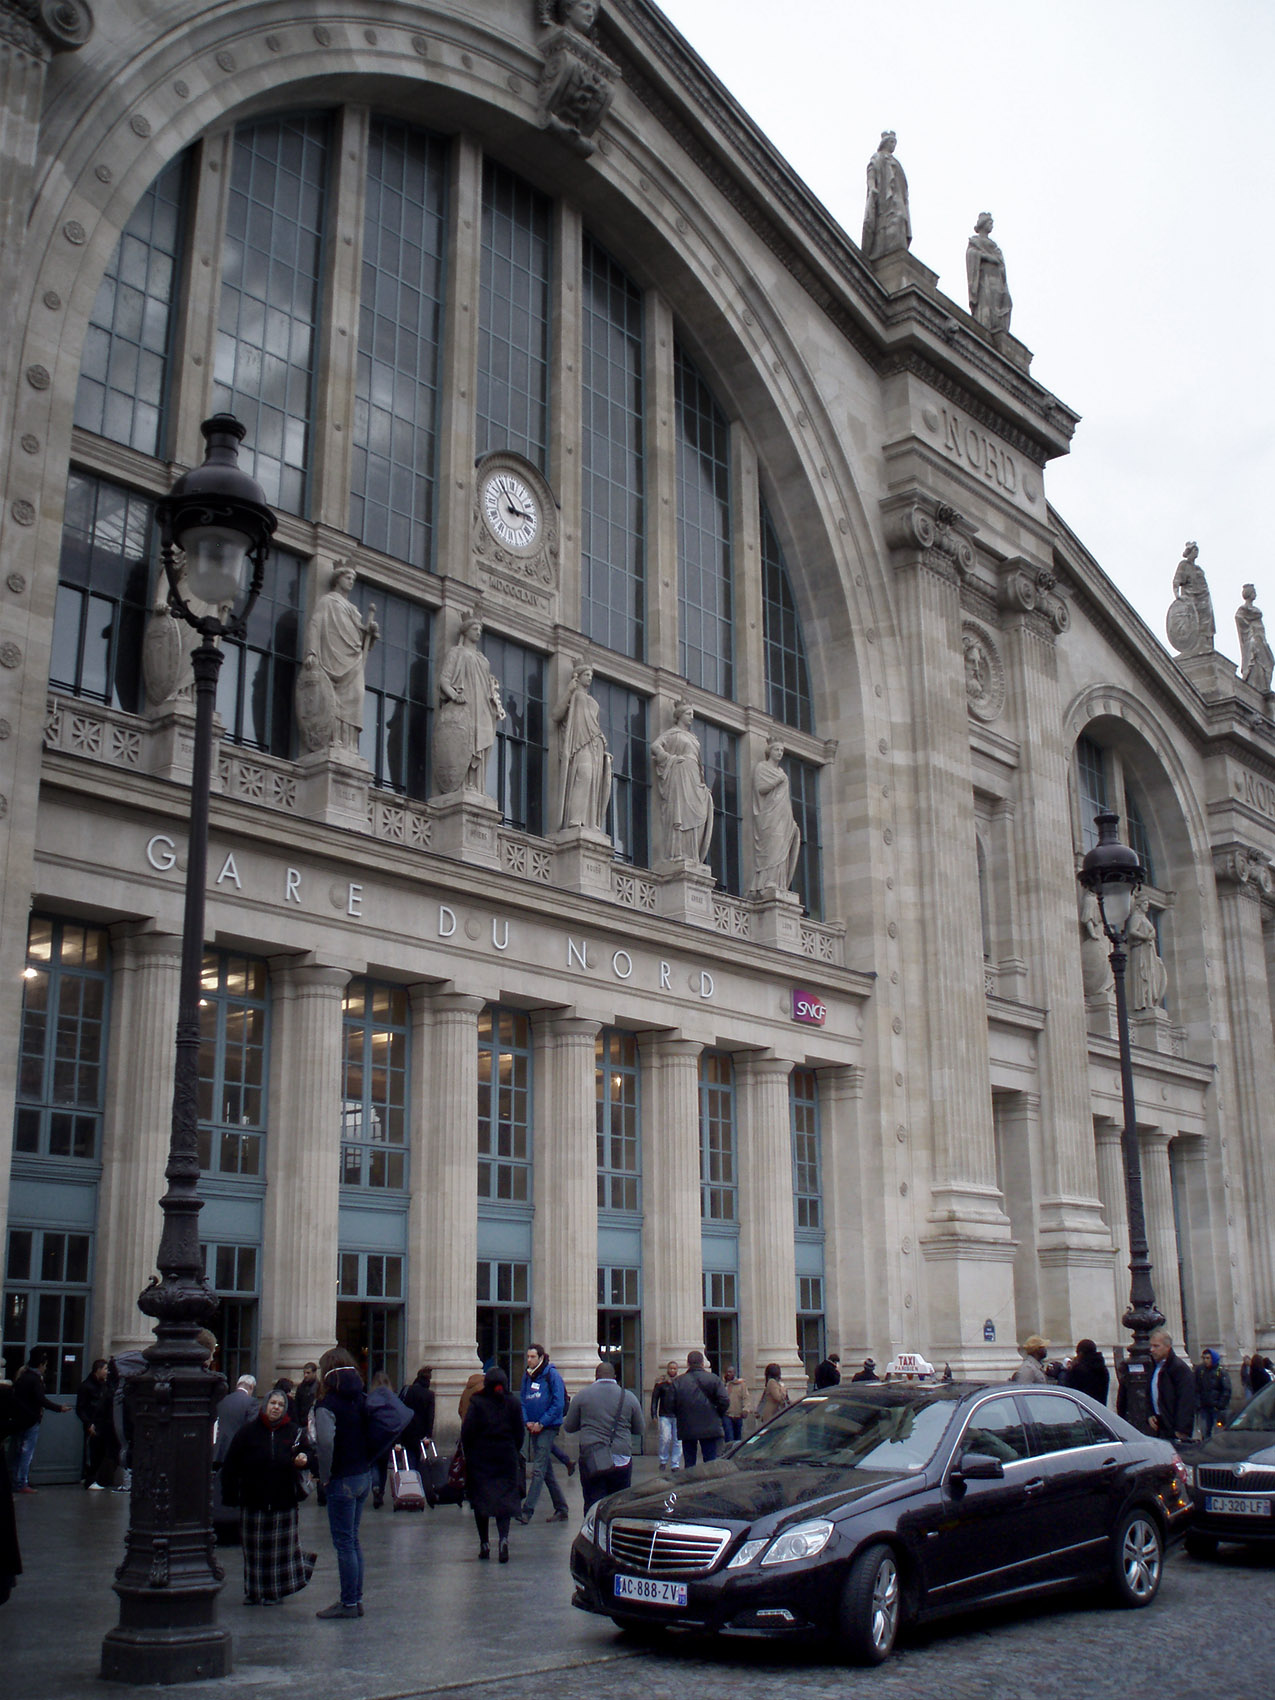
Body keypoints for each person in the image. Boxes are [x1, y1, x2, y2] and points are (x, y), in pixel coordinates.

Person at [219, 1387, 316, 1607]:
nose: (276, 1408)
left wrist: (305, 1457)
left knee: (279, 1552)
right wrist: (231, 1494)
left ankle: (274, 1591)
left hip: (284, 1501)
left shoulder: (293, 1431)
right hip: (254, 1500)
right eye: (273, 1403)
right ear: (265, 1405)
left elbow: (309, 1454)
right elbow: (232, 1464)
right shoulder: (248, 1432)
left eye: (280, 1405)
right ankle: (254, 1591)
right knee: (254, 1551)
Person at [310, 1346, 373, 1620]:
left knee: (344, 1543)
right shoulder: (361, 1397)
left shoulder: (328, 1403)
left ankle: (348, 1603)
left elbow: (325, 1443)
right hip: (362, 1474)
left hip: (342, 1478)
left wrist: (324, 1475)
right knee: (353, 1540)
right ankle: (355, 1599)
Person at [298, 562, 378, 750]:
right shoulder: (327, 602)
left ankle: (350, 744)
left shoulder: (353, 610)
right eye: (348, 578)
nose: (351, 582)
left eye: (353, 579)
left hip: (353, 660)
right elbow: (315, 625)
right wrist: (312, 651)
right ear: (338, 579)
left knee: (357, 696)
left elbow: (360, 639)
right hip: (331, 656)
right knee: (332, 699)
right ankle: (332, 739)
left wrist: (370, 633)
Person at [432, 614, 505, 795]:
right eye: (475, 629)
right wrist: (453, 695)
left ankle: (476, 785)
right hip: (464, 707)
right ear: (465, 631)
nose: (478, 632)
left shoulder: (483, 659)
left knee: (481, 743)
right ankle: (464, 785)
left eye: (480, 629)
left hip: (483, 708)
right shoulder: (456, 653)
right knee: (468, 742)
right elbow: (444, 680)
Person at [460, 1366, 525, 1562]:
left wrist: (470, 1453)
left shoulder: (477, 1402)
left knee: (481, 1501)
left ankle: (484, 1543)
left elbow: (467, 1432)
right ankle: (503, 1539)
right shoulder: (513, 1402)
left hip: (481, 1459)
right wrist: (513, 1450)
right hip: (506, 1458)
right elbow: (519, 1433)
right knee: (504, 1501)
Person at [563, 1361, 644, 1512]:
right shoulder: (629, 1397)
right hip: (621, 1457)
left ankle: (594, 1525)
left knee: (593, 1503)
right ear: (615, 1376)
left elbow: (569, 1426)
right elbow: (640, 1429)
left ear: (596, 1376)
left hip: (592, 1457)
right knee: (618, 1504)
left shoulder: (582, 1396)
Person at [651, 699, 713, 862]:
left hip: (694, 776)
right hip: (680, 773)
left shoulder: (693, 737)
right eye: (688, 714)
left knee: (695, 811)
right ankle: (678, 852)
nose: (691, 717)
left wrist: (702, 784)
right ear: (679, 715)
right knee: (680, 811)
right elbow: (655, 746)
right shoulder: (673, 733)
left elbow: (699, 762)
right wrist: (669, 758)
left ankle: (691, 854)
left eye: (692, 714)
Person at [553, 661, 612, 833]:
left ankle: (588, 822)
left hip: (595, 744)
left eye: (591, 675)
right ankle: (575, 819)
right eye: (587, 675)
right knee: (583, 776)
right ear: (578, 676)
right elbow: (556, 715)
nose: (590, 678)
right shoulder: (575, 696)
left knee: (593, 782)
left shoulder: (592, 701)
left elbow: (594, 723)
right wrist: (569, 691)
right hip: (579, 744)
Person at [517, 1342, 569, 1523]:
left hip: (548, 1427)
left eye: (532, 1357)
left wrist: (542, 1422)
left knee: (538, 1469)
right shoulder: (527, 1376)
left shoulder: (551, 1375)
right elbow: (523, 1400)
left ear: (540, 1357)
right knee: (546, 1471)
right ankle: (561, 1508)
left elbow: (558, 1403)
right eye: (528, 1356)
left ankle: (527, 1510)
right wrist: (527, 1421)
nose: (529, 1360)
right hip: (533, 1426)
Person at [10, 1348, 70, 1494]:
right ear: (41, 1364)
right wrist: (59, 1408)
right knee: (26, 1453)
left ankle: (16, 1481)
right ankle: (22, 1482)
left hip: (19, 1419)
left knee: (18, 1453)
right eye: (45, 1364)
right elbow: (41, 1399)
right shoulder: (35, 1379)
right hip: (30, 1420)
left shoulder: (22, 1377)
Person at [749, 738, 800, 894]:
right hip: (769, 814)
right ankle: (767, 881)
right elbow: (761, 788)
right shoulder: (762, 768)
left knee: (780, 846)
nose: (780, 753)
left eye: (782, 751)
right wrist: (777, 781)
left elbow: (785, 799)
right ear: (769, 751)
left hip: (783, 816)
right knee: (772, 845)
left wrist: (790, 821)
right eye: (777, 750)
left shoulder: (782, 772)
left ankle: (776, 881)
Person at [668, 1350, 728, 1466]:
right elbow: (724, 1400)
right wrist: (717, 1414)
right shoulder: (714, 1379)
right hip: (710, 1423)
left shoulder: (678, 1382)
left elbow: (670, 1405)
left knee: (689, 1462)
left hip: (687, 1425)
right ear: (702, 1363)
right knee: (710, 1462)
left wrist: (681, 1414)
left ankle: (690, 1477)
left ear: (688, 1364)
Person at [861, 129, 910, 260]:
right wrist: (872, 187)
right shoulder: (878, 157)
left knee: (900, 218)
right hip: (884, 197)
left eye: (895, 143)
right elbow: (871, 172)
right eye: (891, 142)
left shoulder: (896, 162)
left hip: (897, 196)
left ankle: (896, 250)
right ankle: (881, 250)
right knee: (888, 220)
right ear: (885, 143)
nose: (893, 145)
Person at [965, 212, 1012, 334]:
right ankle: (985, 327)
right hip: (984, 279)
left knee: (1005, 302)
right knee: (986, 302)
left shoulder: (995, 246)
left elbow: (1000, 262)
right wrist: (985, 257)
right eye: (990, 223)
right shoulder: (975, 242)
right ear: (983, 224)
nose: (992, 225)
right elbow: (971, 254)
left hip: (997, 281)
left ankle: (998, 327)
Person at [75, 1358, 117, 1489]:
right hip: (93, 1424)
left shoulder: (104, 1385)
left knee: (101, 1452)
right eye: (105, 1369)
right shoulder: (87, 1386)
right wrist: (88, 1423)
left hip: (103, 1423)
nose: (107, 1372)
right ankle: (90, 1478)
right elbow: (80, 1408)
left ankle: (95, 1478)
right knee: (93, 1453)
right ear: (98, 1370)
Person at [1148, 1329, 1195, 1444]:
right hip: (1159, 1423)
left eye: (1156, 1346)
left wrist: (1182, 1429)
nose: (1152, 1350)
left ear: (1167, 1347)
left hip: (1173, 1426)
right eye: (1151, 1346)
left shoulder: (1179, 1368)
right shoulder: (1154, 1366)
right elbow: (1151, 1393)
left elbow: (1186, 1400)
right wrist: (1150, 1414)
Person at [1127, 889, 1168, 1012]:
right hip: (1141, 950)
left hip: (1148, 950)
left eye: (1148, 904)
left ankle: (1149, 1001)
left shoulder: (1144, 918)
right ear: (1139, 905)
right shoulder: (1136, 917)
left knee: (1149, 975)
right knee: (1143, 974)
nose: (1147, 906)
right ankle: (1143, 1001)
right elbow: (1132, 931)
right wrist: (1145, 937)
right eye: (1145, 904)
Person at [1236, 584, 1274, 691]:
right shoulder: (1243, 610)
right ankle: (1257, 687)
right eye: (1254, 592)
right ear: (1249, 593)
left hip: (1261, 639)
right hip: (1254, 641)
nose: (1255, 594)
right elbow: (1239, 619)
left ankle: (1264, 687)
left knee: (1269, 661)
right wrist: (1251, 633)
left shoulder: (1255, 610)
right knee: (1256, 663)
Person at [650, 1361, 683, 1473]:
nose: (672, 1370)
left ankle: (675, 1463)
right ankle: (663, 1460)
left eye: (674, 1368)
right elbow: (655, 1399)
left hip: (677, 1415)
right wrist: (653, 1414)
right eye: (671, 1368)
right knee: (665, 1438)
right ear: (667, 1369)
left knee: (677, 1440)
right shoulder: (661, 1383)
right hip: (665, 1415)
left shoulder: (680, 1382)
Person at [1194, 1349, 1231, 1439]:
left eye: (1208, 1358)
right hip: (1204, 1407)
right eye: (1204, 1358)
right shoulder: (1201, 1371)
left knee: (1217, 1432)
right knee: (1204, 1431)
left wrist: (1220, 1404)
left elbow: (1226, 1390)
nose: (1205, 1360)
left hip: (1216, 1408)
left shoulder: (1220, 1372)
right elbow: (1197, 1388)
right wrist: (1198, 1403)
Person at [400, 1366, 436, 1456]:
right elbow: (430, 1417)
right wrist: (428, 1435)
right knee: (417, 1456)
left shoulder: (407, 1390)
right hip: (420, 1432)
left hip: (406, 1429)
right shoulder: (429, 1394)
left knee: (407, 1456)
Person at [1062, 1339, 1110, 1405]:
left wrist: (1071, 1369)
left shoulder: (1078, 1371)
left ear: (1080, 1353)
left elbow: (1069, 1389)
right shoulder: (1103, 1369)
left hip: (1081, 1408)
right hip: (1099, 1408)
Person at [755, 1363, 790, 1427]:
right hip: (772, 1414)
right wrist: (783, 1389)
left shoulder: (773, 1383)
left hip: (774, 1414)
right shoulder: (772, 1382)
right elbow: (778, 1397)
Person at [724, 1366, 749, 1442]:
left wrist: (745, 1409)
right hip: (727, 1415)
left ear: (734, 1373)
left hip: (738, 1415)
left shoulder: (741, 1385)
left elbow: (746, 1398)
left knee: (738, 1439)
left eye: (730, 1372)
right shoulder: (722, 1385)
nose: (728, 1374)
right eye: (727, 1372)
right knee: (729, 1438)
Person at [294, 1362, 320, 1434]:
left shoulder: (319, 1387)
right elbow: (296, 1406)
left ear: (314, 1373)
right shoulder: (300, 1387)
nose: (305, 1375)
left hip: (314, 1423)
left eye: (308, 1373)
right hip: (302, 1422)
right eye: (304, 1373)